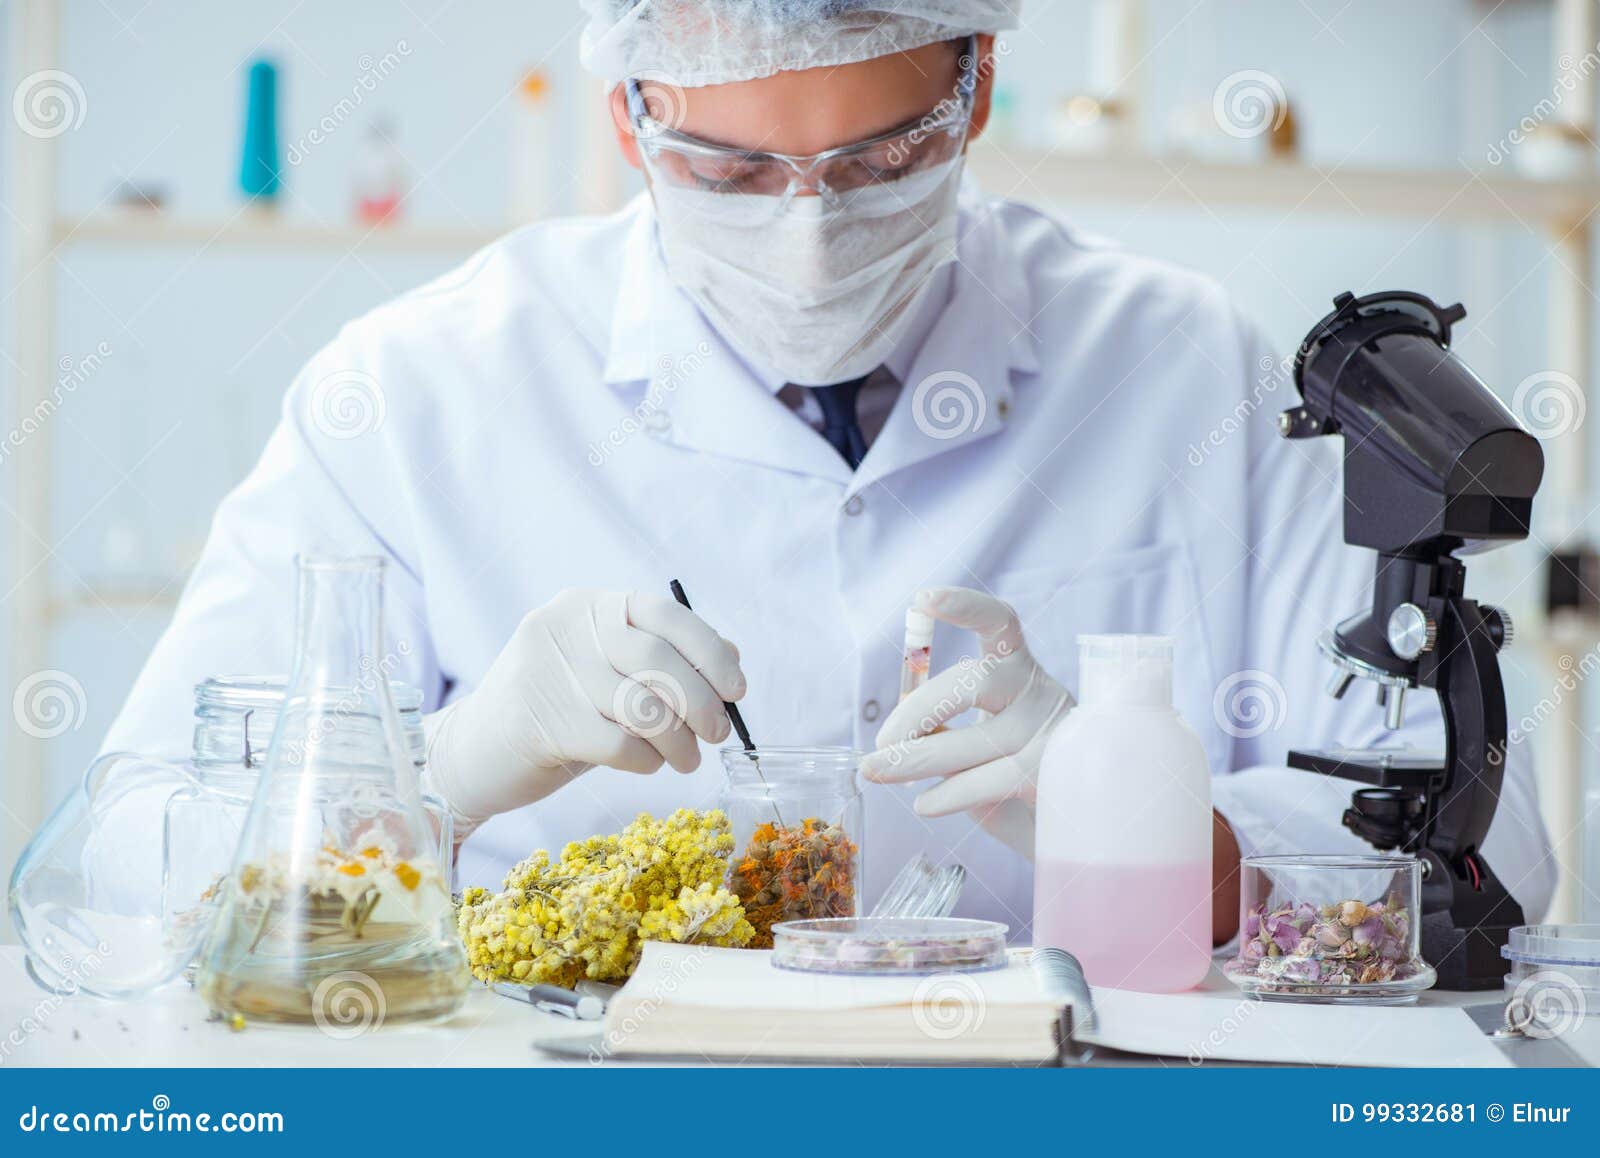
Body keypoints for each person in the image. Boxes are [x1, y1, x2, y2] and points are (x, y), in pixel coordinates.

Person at [102, 0, 1555, 955]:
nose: (807, 237)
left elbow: (1491, 877)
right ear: (628, 120)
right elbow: (131, 871)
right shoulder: (416, 395)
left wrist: (1166, 832)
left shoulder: (1192, 375)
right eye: (729, 175)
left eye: (882, 162)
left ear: (978, 87)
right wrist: (448, 769)